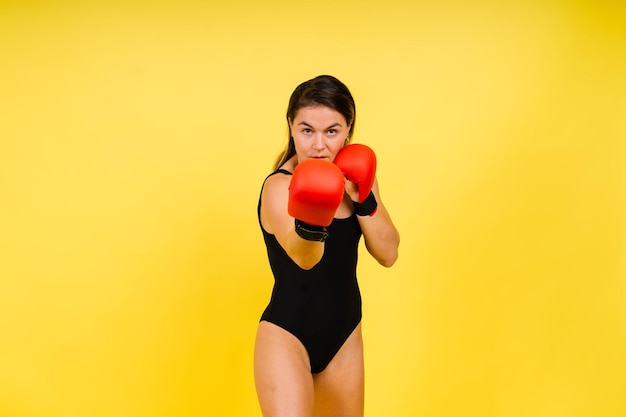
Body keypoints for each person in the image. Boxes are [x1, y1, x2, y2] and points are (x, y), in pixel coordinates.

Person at [254, 74, 400, 417]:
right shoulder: (278, 188)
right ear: (290, 126)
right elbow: (305, 258)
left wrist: (362, 199)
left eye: (331, 131)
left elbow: (388, 252)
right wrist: (314, 213)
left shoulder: (358, 176)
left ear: (348, 128)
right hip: (287, 336)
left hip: (345, 337)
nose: (319, 146)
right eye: (307, 130)